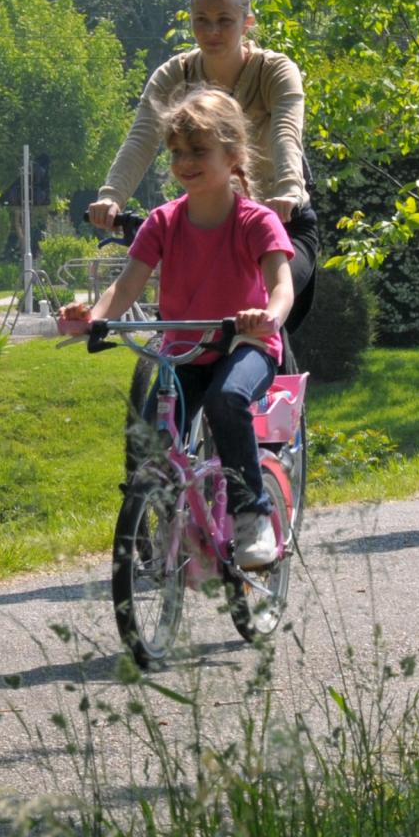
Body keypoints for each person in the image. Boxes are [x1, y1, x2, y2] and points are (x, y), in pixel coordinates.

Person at [61, 87, 295, 570]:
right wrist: (94, 317)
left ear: (233, 156)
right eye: (177, 153)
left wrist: (267, 315)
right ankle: (169, 517)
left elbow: (281, 286)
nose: (185, 162)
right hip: (185, 350)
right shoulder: (162, 223)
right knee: (152, 436)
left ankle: (252, 512)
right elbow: (124, 289)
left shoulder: (257, 220)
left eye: (198, 151)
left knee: (226, 401)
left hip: (245, 344)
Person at [89, 0, 318, 337]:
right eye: (202, 21)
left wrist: (289, 191)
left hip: (279, 221)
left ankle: (277, 384)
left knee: (265, 312)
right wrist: (111, 196)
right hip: (210, 224)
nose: (212, 32)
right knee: (189, 325)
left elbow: (286, 132)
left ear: (247, 23)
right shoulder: (174, 75)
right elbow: (142, 137)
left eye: (224, 21)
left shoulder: (275, 71)